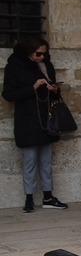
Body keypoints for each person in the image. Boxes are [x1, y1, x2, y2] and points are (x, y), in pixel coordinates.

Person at [3, 35, 68, 212]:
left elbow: (53, 93)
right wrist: (33, 87)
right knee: (29, 161)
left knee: (46, 161)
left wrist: (54, 89)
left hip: (46, 118)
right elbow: (8, 94)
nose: (41, 57)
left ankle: (48, 196)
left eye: (44, 54)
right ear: (28, 51)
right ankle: (29, 198)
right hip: (28, 120)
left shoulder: (46, 65)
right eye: (38, 54)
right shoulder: (15, 66)